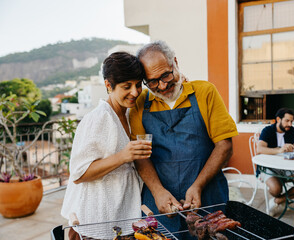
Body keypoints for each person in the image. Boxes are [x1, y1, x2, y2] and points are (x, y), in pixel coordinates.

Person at [129, 40, 238, 237]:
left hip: (208, 196)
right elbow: (140, 155)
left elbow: (225, 145)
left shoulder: (205, 92)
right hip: (159, 200)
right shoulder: (139, 104)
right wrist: (157, 191)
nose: (162, 86)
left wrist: (198, 185)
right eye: (152, 81)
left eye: (165, 75)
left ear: (175, 63)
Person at [61, 52, 152, 240]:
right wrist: (123, 156)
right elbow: (78, 174)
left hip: (123, 217)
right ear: (108, 85)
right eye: (127, 87)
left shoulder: (129, 113)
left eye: (138, 85)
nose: (135, 92)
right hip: (98, 222)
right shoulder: (98, 118)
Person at [257, 107, 294, 217]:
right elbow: (260, 149)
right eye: (287, 121)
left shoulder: (291, 130)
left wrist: (293, 147)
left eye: (291, 121)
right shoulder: (268, 130)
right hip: (269, 167)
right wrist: (279, 150)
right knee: (276, 188)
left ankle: (278, 201)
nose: (289, 124)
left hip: (287, 166)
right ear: (278, 119)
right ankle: (280, 197)